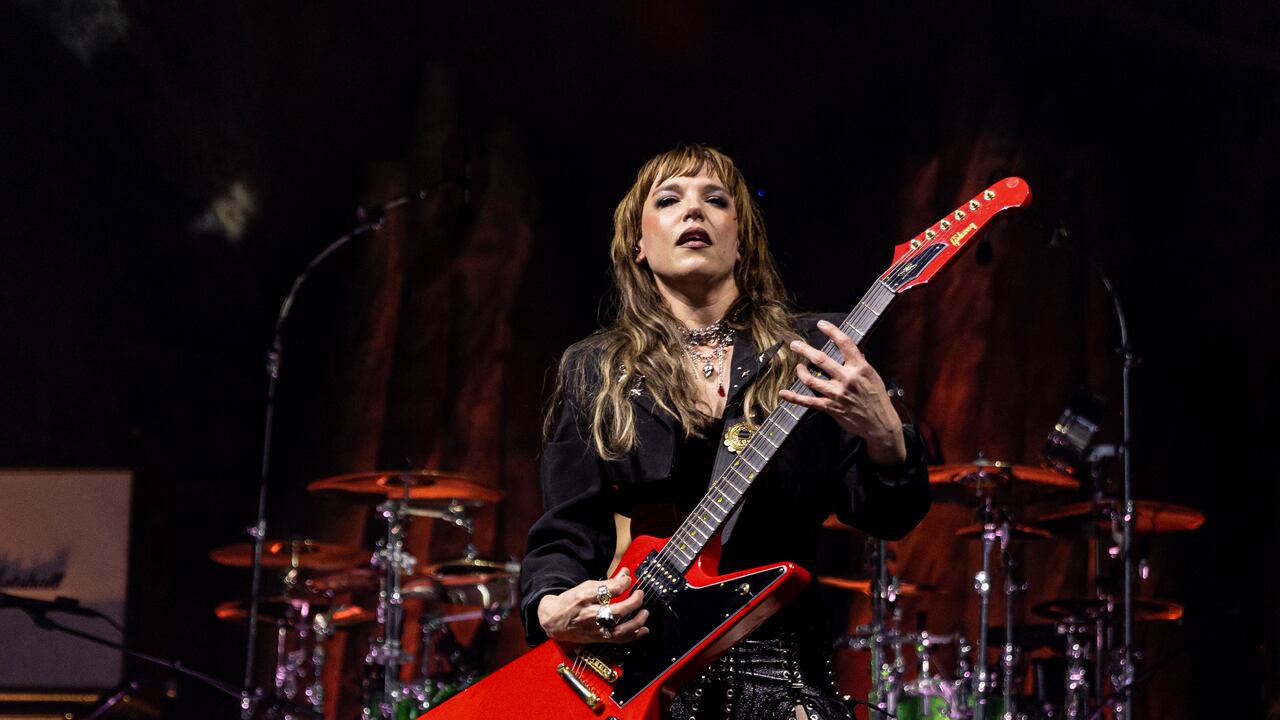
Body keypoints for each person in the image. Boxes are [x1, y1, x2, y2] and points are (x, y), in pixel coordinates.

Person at [518, 144, 930, 720]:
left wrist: (888, 436)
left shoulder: (812, 349)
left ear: (742, 240)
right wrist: (550, 608)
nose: (694, 212)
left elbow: (888, 516)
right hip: (641, 672)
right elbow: (564, 532)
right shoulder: (596, 369)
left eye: (716, 200)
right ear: (638, 244)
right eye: (669, 200)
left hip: (781, 674)